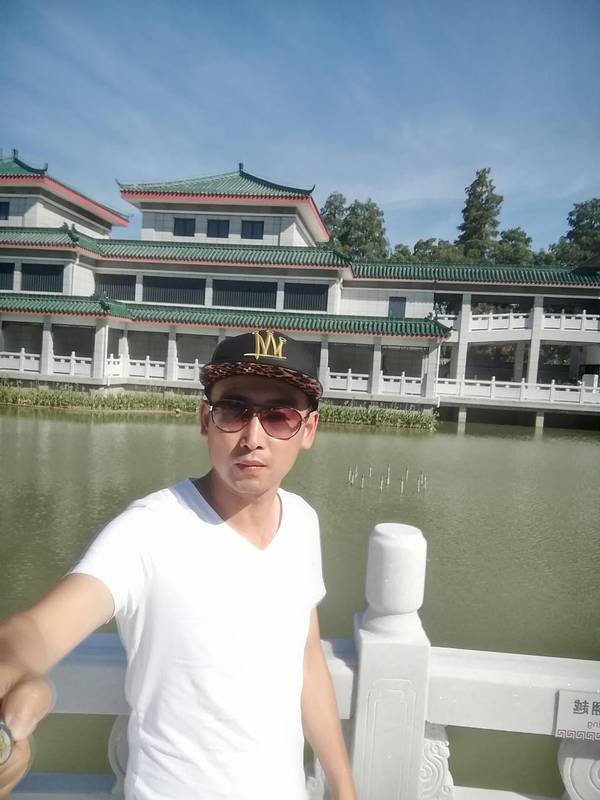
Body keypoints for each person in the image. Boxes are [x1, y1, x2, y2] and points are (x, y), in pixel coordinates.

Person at [0, 329, 357, 800]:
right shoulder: (149, 530)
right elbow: (38, 632)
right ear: (206, 420)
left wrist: (344, 788)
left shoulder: (302, 523)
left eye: (279, 416)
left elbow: (306, 658)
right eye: (234, 411)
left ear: (307, 430)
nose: (253, 438)